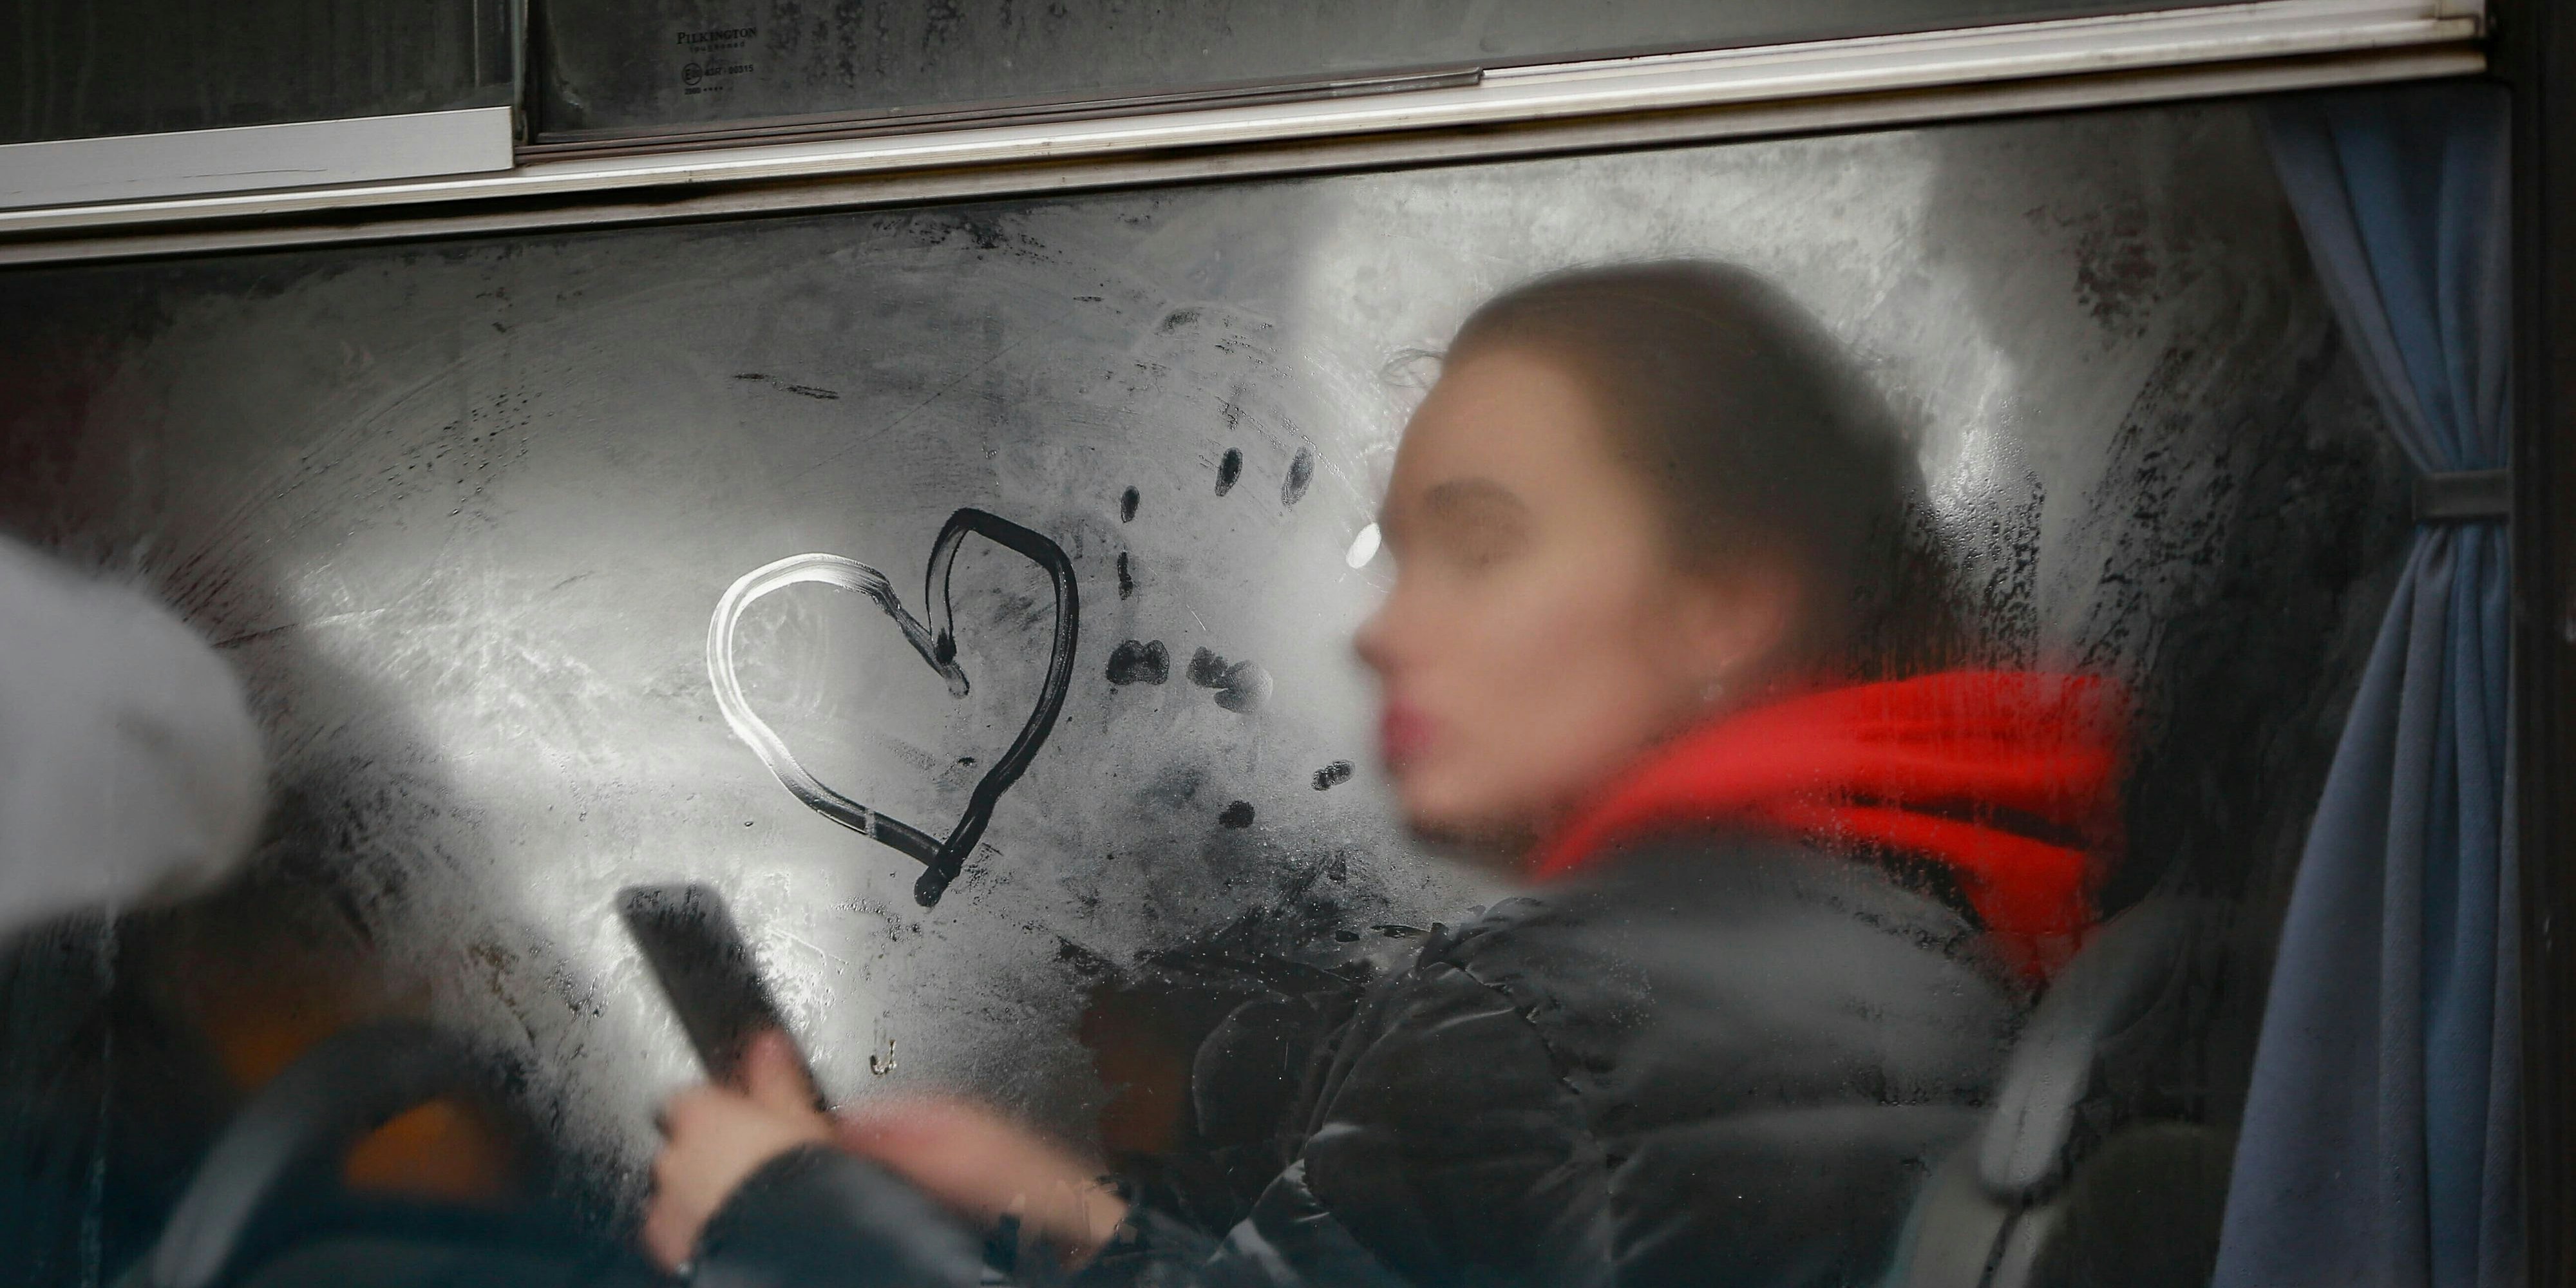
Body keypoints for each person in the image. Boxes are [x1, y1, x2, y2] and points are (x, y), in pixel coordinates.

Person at [642, 261, 2128, 1287]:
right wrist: (1069, 1217)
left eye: (1478, 548)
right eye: (1401, 557)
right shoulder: (1899, 936)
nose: (1394, 631)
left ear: (1720, 605)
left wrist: (791, 1218)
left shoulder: (1554, 1010)